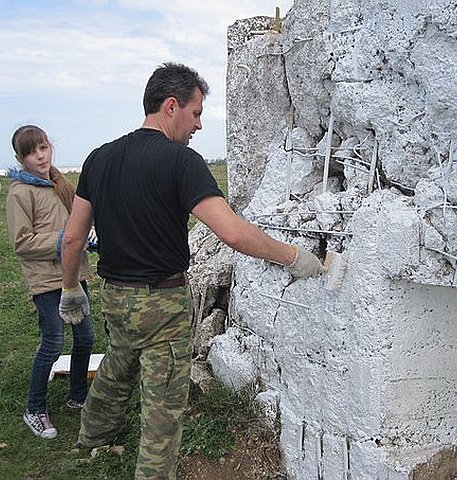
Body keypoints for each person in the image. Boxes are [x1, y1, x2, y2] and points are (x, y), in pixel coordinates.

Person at [59, 62, 324, 480]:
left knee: (118, 362)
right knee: (163, 406)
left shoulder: (99, 159)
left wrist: (71, 288)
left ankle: (93, 437)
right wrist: (293, 256)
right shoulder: (181, 161)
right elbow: (232, 233)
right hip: (161, 303)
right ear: (171, 106)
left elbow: (73, 238)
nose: (199, 125)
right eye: (196, 113)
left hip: (113, 296)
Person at [6, 125, 94, 440]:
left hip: (76, 275)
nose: (40, 156)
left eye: (44, 148)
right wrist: (64, 239)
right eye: (31, 152)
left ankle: (78, 395)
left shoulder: (60, 182)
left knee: (85, 338)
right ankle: (35, 408)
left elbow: (81, 216)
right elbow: (21, 242)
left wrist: (90, 235)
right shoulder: (20, 192)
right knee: (53, 343)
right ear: (20, 158)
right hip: (46, 281)